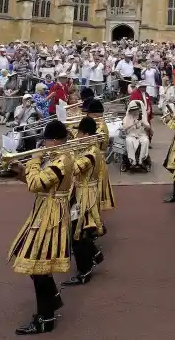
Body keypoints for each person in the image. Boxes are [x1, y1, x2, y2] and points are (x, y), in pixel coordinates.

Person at [8, 120, 74, 336]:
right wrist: (19, 171)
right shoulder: (55, 157)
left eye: (45, 141)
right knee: (38, 266)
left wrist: (34, 161)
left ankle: (45, 318)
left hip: (51, 216)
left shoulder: (62, 161)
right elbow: (35, 183)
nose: (43, 145)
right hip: (44, 211)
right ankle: (52, 302)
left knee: (37, 266)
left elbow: (37, 183)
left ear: (54, 140)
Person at [62, 117, 106, 286]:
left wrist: (63, 156)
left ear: (86, 134)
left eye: (79, 133)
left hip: (86, 195)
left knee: (77, 234)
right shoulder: (86, 145)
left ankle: (84, 271)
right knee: (81, 231)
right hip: (79, 191)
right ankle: (94, 255)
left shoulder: (91, 152)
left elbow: (74, 168)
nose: (77, 136)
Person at [122, 100, 151, 169]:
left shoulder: (142, 116)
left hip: (141, 135)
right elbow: (124, 128)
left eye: (136, 109)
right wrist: (133, 123)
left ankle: (141, 160)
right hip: (131, 135)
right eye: (133, 110)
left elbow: (148, 127)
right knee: (129, 141)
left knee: (145, 141)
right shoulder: (127, 117)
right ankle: (132, 161)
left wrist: (143, 122)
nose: (135, 111)